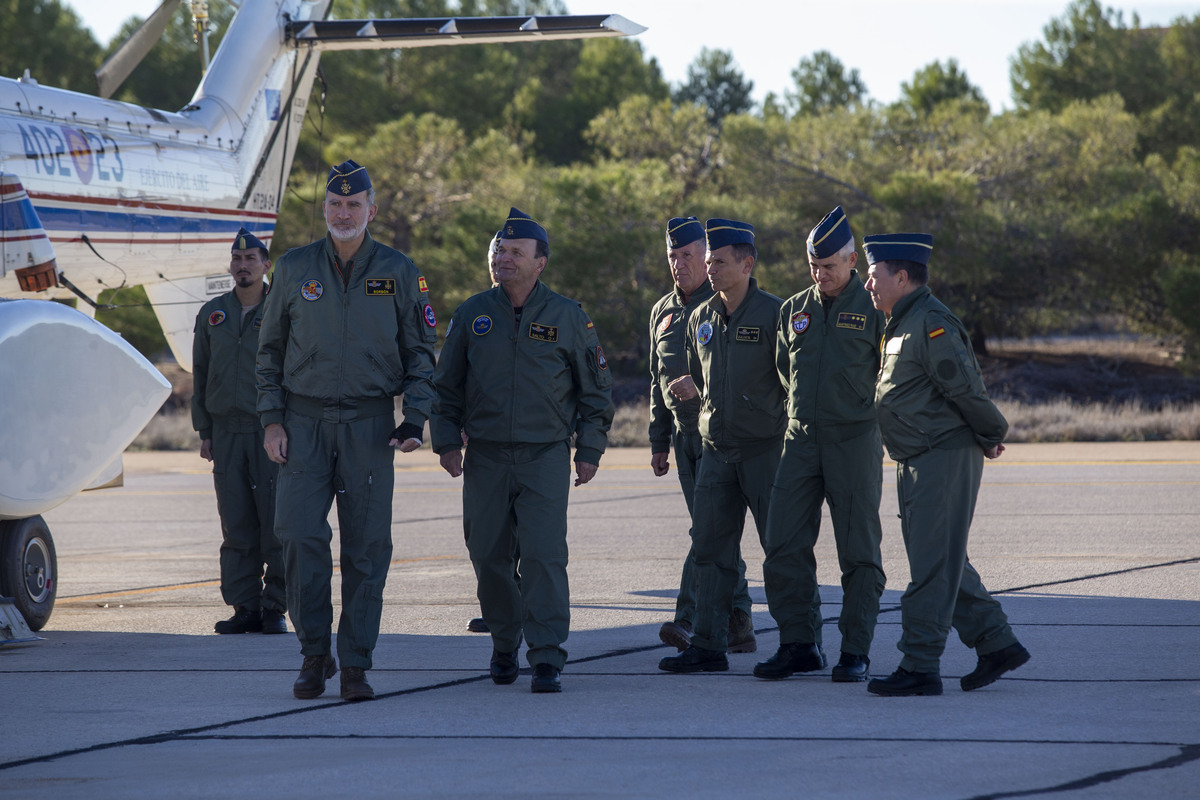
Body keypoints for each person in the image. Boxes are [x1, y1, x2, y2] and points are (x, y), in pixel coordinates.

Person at [257, 159, 437, 702]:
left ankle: (356, 663)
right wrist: (270, 420)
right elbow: (267, 352)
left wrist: (415, 418)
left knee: (366, 549)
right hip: (303, 422)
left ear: (371, 211)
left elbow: (420, 354)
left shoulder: (400, 272)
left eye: (353, 204)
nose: (342, 212)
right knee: (296, 536)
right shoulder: (291, 268)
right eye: (334, 204)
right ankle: (315, 655)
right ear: (325, 209)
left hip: (369, 425)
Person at [432, 207, 614, 694]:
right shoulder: (472, 314)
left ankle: (548, 656)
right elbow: (446, 387)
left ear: (541, 263)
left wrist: (589, 450)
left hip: (545, 456)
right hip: (487, 458)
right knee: (488, 555)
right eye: (499, 250)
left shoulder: (569, 317)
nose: (503, 258)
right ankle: (504, 642)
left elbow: (596, 392)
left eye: (516, 252)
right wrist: (447, 441)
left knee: (543, 556)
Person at [861, 232, 1030, 696]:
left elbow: (965, 389)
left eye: (874, 276)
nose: (868, 284)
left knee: (932, 568)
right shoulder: (902, 321)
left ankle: (920, 665)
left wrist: (991, 432)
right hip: (919, 457)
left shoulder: (931, 323)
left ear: (900, 276)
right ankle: (997, 643)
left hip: (941, 454)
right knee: (943, 559)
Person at [754, 207, 886, 682]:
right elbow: (783, 372)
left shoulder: (875, 309)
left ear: (852, 260)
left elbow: (890, 375)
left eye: (829, 265)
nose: (820, 274)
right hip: (800, 441)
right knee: (783, 545)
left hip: (854, 441)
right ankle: (798, 643)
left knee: (858, 551)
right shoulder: (794, 310)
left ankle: (855, 650)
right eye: (813, 266)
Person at [659, 218, 786, 674]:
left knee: (782, 547)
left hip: (763, 450)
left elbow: (792, 383)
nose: (708, 269)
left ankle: (798, 642)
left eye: (717, 261)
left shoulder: (776, 313)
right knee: (711, 548)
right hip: (712, 447)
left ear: (747, 264)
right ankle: (710, 644)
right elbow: (689, 377)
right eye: (707, 260)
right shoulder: (696, 316)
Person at [648, 216, 754, 654]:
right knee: (714, 531)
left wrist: (705, 389)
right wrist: (658, 440)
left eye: (687, 255)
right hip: (683, 436)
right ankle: (740, 619)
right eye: (672, 256)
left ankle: (687, 617)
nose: (679, 264)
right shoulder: (662, 311)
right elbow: (657, 380)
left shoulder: (725, 301)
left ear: (706, 257)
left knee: (706, 532)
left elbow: (751, 373)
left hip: (721, 434)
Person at [191, 227, 287, 636]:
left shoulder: (284, 310)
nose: (242, 265)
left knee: (276, 523)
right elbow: (201, 373)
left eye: (251, 259)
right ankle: (244, 606)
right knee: (236, 523)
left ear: (267, 266)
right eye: (237, 259)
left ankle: (275, 608)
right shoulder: (214, 313)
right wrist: (204, 430)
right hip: (227, 432)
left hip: (269, 431)